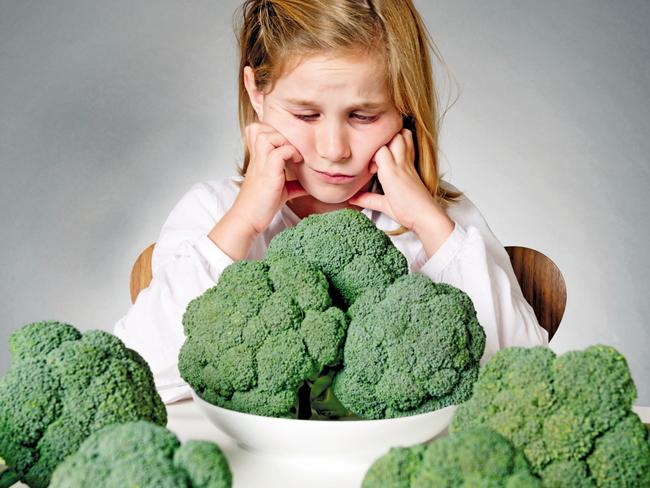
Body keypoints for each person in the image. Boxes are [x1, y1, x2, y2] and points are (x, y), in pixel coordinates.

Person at [114, 0, 548, 404]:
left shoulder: (441, 222)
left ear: (406, 109)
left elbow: (524, 382)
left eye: (363, 116)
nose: (334, 148)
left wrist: (433, 228)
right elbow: (138, 371)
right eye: (306, 115)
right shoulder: (213, 213)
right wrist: (242, 224)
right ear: (256, 92)